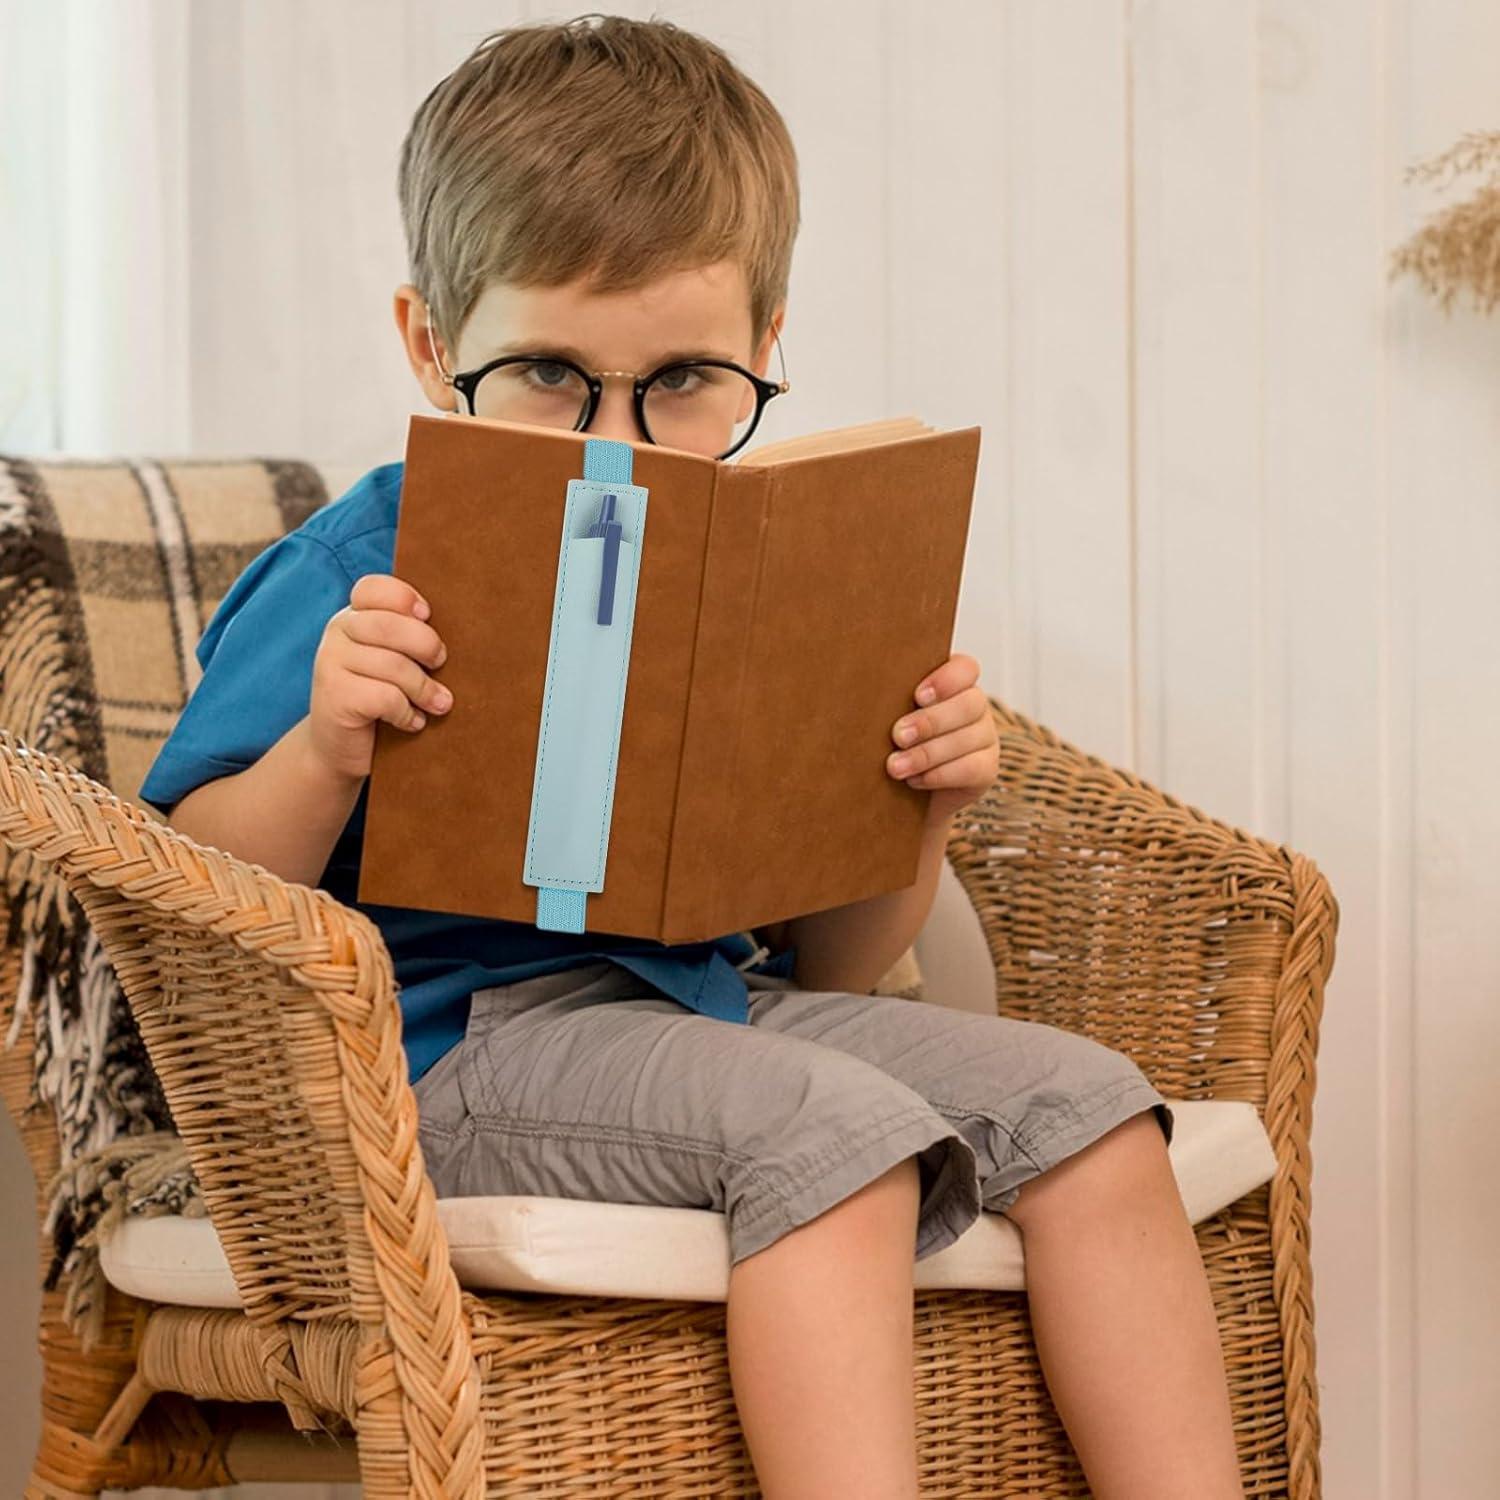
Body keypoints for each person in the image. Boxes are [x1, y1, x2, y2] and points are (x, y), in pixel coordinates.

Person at [138, 15, 1244, 1498]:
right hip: (445, 1058)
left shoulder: (765, 569)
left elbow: (840, 969)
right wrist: (329, 746)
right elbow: (184, 897)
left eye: (684, 384)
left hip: (714, 1011)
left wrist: (918, 813)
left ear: (765, 348)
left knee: (1097, 1114)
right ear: (429, 342)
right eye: (546, 375)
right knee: (837, 1133)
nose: (618, 442)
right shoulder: (349, 572)